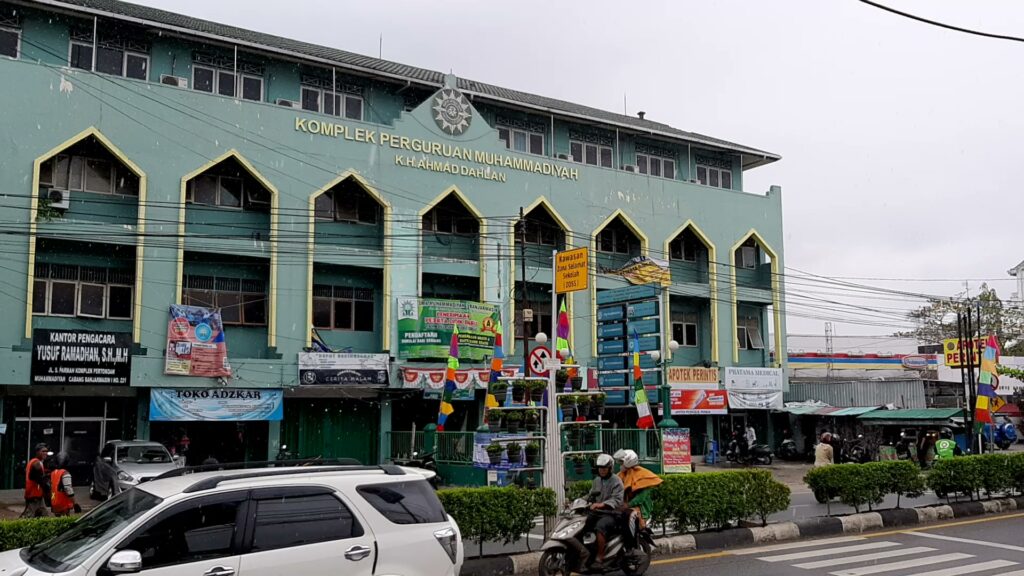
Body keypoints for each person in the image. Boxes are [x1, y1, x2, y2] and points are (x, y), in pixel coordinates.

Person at [614, 449, 662, 551]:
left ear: (628, 462)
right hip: (624, 505)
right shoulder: (621, 475)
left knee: (626, 518)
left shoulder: (643, 475)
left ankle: (630, 548)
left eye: (621, 462)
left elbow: (641, 498)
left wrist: (628, 505)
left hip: (640, 509)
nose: (620, 465)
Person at [582, 453, 623, 570]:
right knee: (583, 524)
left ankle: (600, 557)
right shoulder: (597, 480)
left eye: (605, 468)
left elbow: (617, 500)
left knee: (600, 527)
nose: (602, 470)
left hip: (612, 514)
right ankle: (587, 552)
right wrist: (577, 502)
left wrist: (602, 504)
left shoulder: (616, 481)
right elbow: (590, 495)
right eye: (600, 468)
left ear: (610, 468)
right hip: (598, 513)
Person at [21, 443, 51, 518]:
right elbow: (39, 477)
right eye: (43, 451)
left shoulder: (35, 461)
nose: (45, 453)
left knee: (44, 515)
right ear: (37, 452)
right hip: (33, 495)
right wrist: (47, 488)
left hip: (37, 494)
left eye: (46, 451)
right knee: (29, 517)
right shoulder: (36, 462)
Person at [48, 453, 81, 517]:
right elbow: (68, 489)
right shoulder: (65, 473)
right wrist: (75, 503)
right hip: (63, 503)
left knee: (57, 520)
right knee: (65, 520)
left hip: (54, 501)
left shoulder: (53, 473)